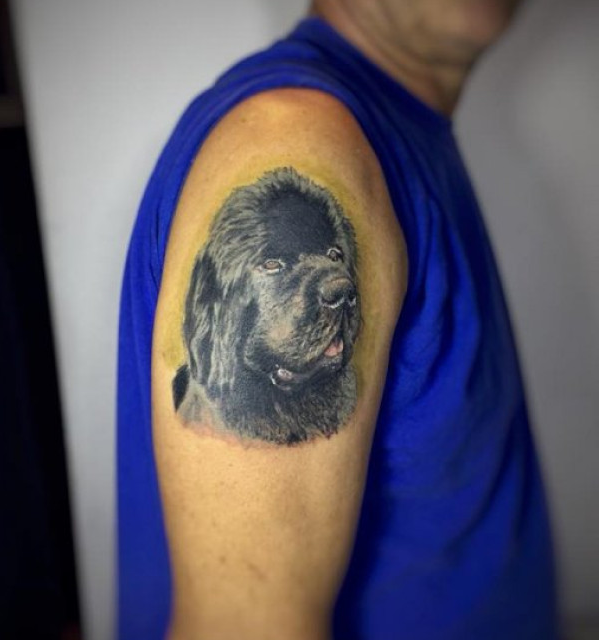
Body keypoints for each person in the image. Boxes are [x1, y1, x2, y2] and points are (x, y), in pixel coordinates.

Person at [117, 1, 559, 638]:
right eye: (275, 265)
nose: (335, 283)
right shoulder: (298, 138)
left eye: (332, 258)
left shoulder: (391, 128)